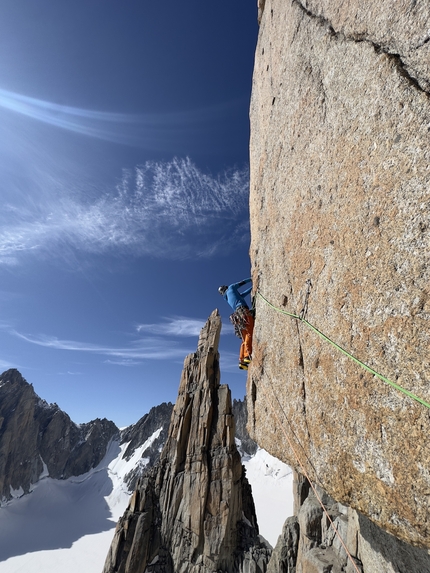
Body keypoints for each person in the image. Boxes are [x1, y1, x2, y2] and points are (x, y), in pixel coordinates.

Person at [218, 278, 254, 371]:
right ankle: (247, 356)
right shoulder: (231, 288)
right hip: (243, 311)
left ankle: (241, 360)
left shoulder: (228, 298)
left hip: (237, 316)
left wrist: (253, 287)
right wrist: (252, 279)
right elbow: (241, 283)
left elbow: (243, 294)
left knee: (245, 335)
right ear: (225, 287)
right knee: (249, 331)